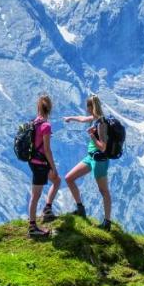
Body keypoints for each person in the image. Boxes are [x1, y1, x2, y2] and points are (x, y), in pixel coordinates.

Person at [63, 94, 112, 230]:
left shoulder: (101, 123)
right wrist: (70, 118)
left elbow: (103, 147)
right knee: (69, 178)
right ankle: (80, 209)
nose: (86, 108)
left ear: (92, 107)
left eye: (88, 106)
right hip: (90, 158)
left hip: (99, 160)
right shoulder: (94, 119)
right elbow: (82, 118)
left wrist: (91, 135)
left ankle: (107, 223)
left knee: (104, 191)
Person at [26, 94, 61, 237]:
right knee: (35, 195)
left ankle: (47, 209)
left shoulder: (34, 123)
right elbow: (47, 149)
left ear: (38, 108)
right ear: (49, 109)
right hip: (41, 163)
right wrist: (53, 167)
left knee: (57, 181)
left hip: (33, 161)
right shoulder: (46, 126)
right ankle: (33, 227)